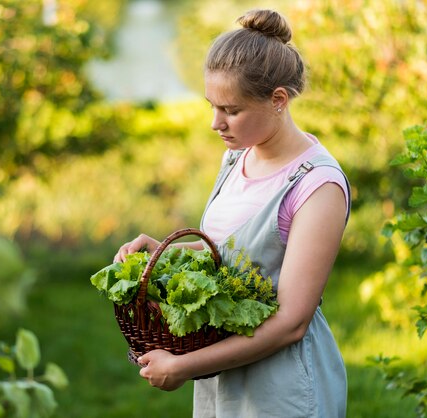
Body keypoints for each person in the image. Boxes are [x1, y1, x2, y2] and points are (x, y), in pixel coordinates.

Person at [114, 8, 350, 418]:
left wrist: (182, 366)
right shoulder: (238, 158)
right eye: (212, 106)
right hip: (223, 378)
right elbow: (239, 259)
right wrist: (167, 253)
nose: (215, 123)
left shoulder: (317, 187)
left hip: (283, 391)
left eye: (231, 110)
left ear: (278, 100)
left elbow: (292, 321)